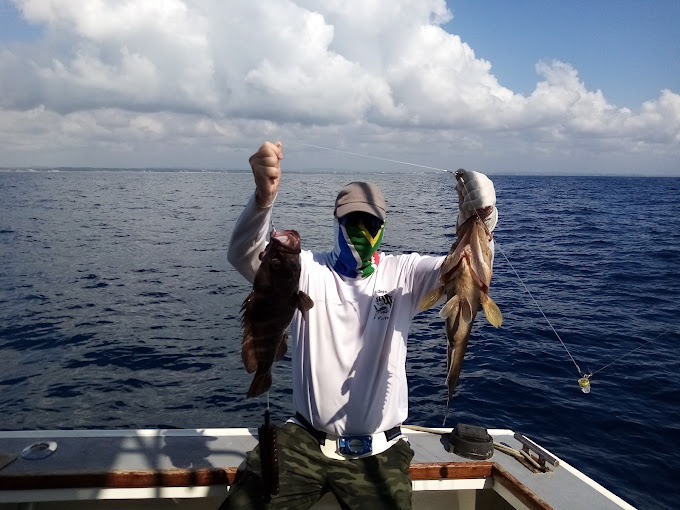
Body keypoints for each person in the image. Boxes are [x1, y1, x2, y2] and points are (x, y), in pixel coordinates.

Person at [222, 141, 498, 510]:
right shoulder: (302, 270)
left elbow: (465, 275)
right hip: (303, 441)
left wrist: (481, 220)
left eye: (370, 223)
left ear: (383, 227)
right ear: (336, 221)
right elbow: (242, 253)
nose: (360, 231)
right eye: (351, 222)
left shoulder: (404, 274)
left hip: (381, 450)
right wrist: (263, 198)